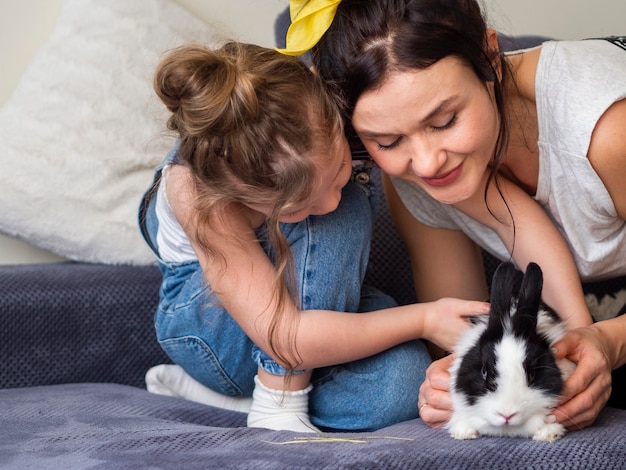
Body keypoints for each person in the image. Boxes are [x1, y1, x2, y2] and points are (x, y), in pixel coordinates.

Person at [278, 0, 626, 430]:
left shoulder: (606, 129)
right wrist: (453, 386)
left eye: (444, 121)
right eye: (386, 141)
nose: (425, 164)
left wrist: (607, 341)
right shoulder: (414, 174)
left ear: (491, 58)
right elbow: (466, 326)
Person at [138, 41, 490, 433]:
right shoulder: (197, 189)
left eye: (340, 168)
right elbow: (285, 334)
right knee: (345, 213)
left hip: (309, 312)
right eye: (291, 209)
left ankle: (235, 403)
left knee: (405, 384)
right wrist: (423, 318)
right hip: (218, 336)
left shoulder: (313, 105)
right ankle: (277, 401)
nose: (328, 201)